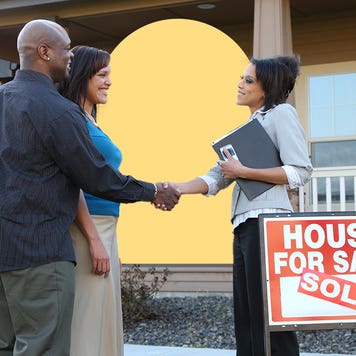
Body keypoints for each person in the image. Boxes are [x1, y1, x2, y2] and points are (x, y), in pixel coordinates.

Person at [0, 19, 180, 356]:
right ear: (44, 52)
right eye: (66, 48)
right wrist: (152, 190)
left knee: (7, 347)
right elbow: (97, 177)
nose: (70, 55)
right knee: (43, 348)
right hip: (41, 253)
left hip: (4, 253)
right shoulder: (58, 111)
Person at [170, 55, 313, 356]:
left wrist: (245, 172)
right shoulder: (249, 127)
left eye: (248, 80)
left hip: (268, 224)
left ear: (267, 88)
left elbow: (300, 171)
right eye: (242, 78)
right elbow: (216, 177)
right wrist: (176, 189)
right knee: (248, 314)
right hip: (246, 225)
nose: (240, 84)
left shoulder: (281, 114)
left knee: (268, 313)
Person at [58, 45, 129, 356]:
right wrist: (94, 239)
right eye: (102, 74)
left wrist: (109, 244)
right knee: (87, 322)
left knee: (104, 318)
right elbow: (70, 182)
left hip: (105, 229)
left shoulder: (89, 119)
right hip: (88, 230)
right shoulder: (72, 119)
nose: (109, 81)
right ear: (82, 76)